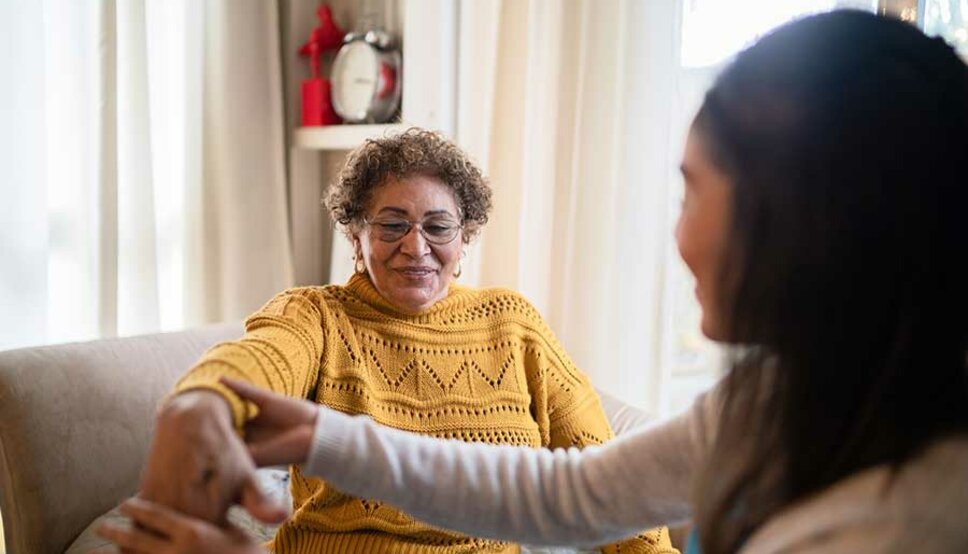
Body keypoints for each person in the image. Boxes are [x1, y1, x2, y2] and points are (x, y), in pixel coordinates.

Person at [100, 9, 968, 554]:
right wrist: (256, 416)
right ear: (356, 235)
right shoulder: (776, 403)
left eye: (692, 192)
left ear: (806, 219)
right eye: (390, 225)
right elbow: (570, 496)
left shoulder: (898, 522)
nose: (676, 235)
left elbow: (585, 481)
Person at [125, 128, 676, 553]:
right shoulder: (317, 315)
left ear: (465, 237)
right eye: (392, 225)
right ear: (356, 235)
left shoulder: (513, 324)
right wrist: (205, 400)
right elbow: (259, 358)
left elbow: (609, 475)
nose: (416, 248)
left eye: (438, 226)